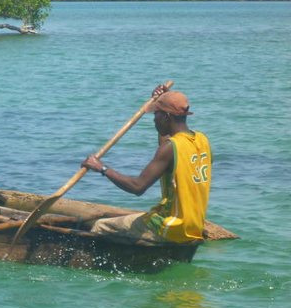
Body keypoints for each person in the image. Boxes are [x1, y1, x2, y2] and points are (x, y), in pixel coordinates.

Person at [81, 85, 211, 245]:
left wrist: (101, 168)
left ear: (166, 117)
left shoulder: (170, 148)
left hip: (172, 227)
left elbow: (138, 187)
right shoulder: (202, 140)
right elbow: (168, 147)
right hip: (194, 225)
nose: (153, 119)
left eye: (156, 114)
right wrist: (162, 99)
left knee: (100, 226)